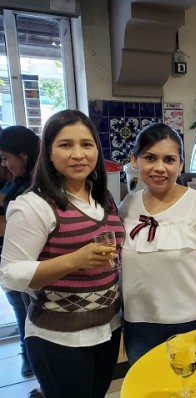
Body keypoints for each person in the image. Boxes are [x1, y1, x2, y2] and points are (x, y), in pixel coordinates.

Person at [0, 110, 124, 398]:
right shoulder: (34, 205)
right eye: (66, 145)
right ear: (49, 154)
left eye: (86, 144)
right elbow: (10, 274)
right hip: (58, 336)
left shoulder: (101, 197)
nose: (78, 154)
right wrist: (73, 261)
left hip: (107, 326)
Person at [119, 123, 196, 365]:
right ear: (135, 161)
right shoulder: (127, 205)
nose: (160, 168)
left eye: (169, 160)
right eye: (150, 158)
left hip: (191, 321)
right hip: (139, 326)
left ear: (180, 164)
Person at [0, 126, 39, 378]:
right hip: (11, 257)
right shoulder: (17, 182)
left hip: (25, 263)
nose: (5, 164)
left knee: (26, 311)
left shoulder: (33, 189)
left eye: (6, 157)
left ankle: (32, 357)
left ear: (24, 154)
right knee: (20, 308)